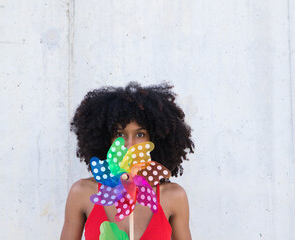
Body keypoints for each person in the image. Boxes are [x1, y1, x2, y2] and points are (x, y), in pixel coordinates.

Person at [60, 82, 194, 240]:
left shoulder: (174, 197)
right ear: (105, 139)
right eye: (119, 134)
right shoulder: (81, 193)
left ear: (155, 139)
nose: (129, 144)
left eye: (140, 134)